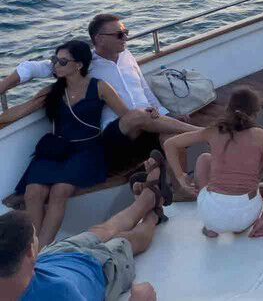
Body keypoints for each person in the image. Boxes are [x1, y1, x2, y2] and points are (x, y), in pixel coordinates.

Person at [12, 15, 199, 192]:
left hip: (148, 122)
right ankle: (203, 132)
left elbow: (145, 89)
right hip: (117, 132)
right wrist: (7, 83)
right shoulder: (86, 64)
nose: (125, 37)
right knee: (137, 115)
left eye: (126, 32)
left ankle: (180, 188)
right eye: (119, 34)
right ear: (99, 39)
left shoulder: (127, 55)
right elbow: (46, 66)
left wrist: (166, 115)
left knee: (171, 136)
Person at [1, 41, 131, 248]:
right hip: (56, 150)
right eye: (55, 60)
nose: (55, 65)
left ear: (78, 65)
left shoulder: (99, 87)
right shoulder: (52, 91)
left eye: (62, 61)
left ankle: (42, 249)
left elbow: (126, 115)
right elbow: (19, 112)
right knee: (33, 192)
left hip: (87, 150)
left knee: (60, 191)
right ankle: (31, 246)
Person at [0, 159, 167, 301]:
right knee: (124, 240)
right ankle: (153, 215)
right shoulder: (61, 293)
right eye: (34, 239)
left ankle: (145, 201)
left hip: (56, 256)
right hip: (99, 271)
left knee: (102, 229)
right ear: (30, 253)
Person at [163, 88, 263, 239]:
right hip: (247, 215)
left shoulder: (213, 131)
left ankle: (211, 228)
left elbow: (170, 144)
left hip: (213, 214)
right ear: (256, 112)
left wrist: (180, 177)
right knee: (255, 168)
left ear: (228, 109)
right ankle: (238, 228)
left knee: (205, 158)